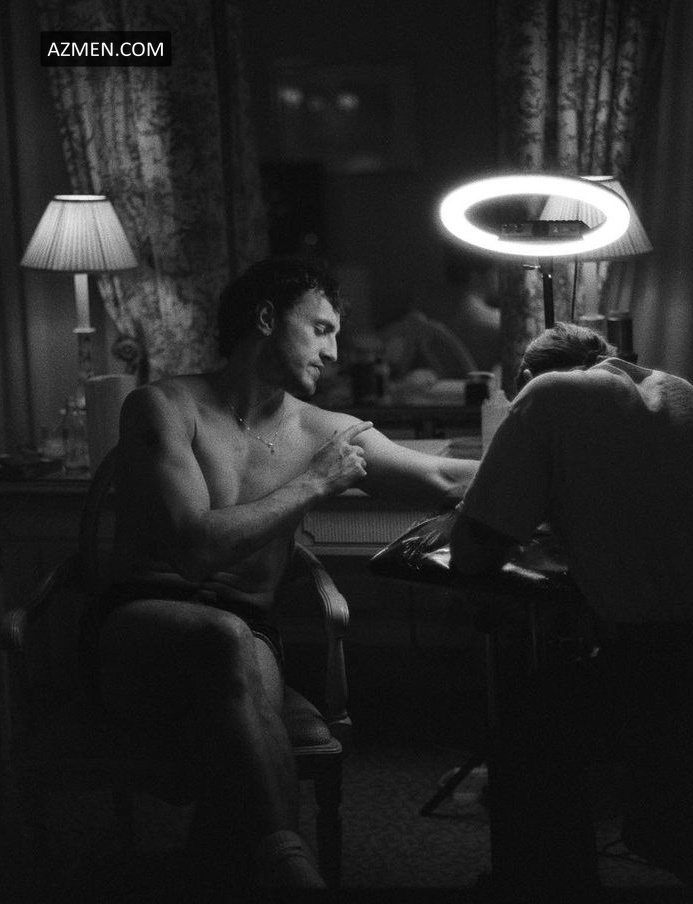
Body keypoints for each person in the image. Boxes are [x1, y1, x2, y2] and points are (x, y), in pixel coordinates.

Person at [85, 257, 479, 894]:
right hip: (142, 622)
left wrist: (548, 453)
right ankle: (290, 873)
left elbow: (441, 477)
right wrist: (315, 482)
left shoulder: (324, 430)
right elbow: (195, 550)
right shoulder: (164, 406)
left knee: (236, 647)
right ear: (267, 319)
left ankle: (277, 870)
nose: (334, 351)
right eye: (320, 329)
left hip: (247, 631)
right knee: (225, 640)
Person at [450, 322, 693, 891]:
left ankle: (549, 885)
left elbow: (473, 551)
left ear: (526, 378)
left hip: (655, 659)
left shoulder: (547, 393)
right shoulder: (678, 390)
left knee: (529, 722)